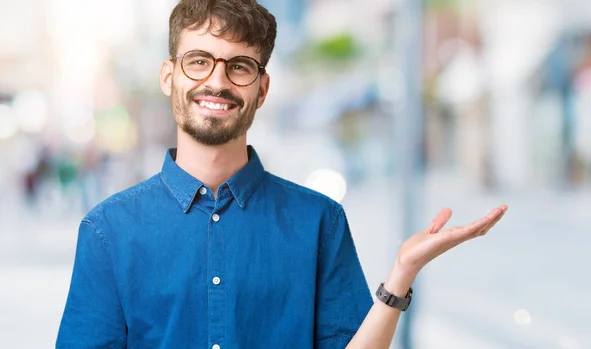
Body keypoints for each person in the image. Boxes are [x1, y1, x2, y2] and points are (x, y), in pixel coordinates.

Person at [56, 0, 508, 348]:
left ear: (262, 88)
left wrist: (401, 275)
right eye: (199, 61)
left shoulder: (319, 222)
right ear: (168, 76)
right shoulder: (107, 231)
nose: (217, 81)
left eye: (239, 67)